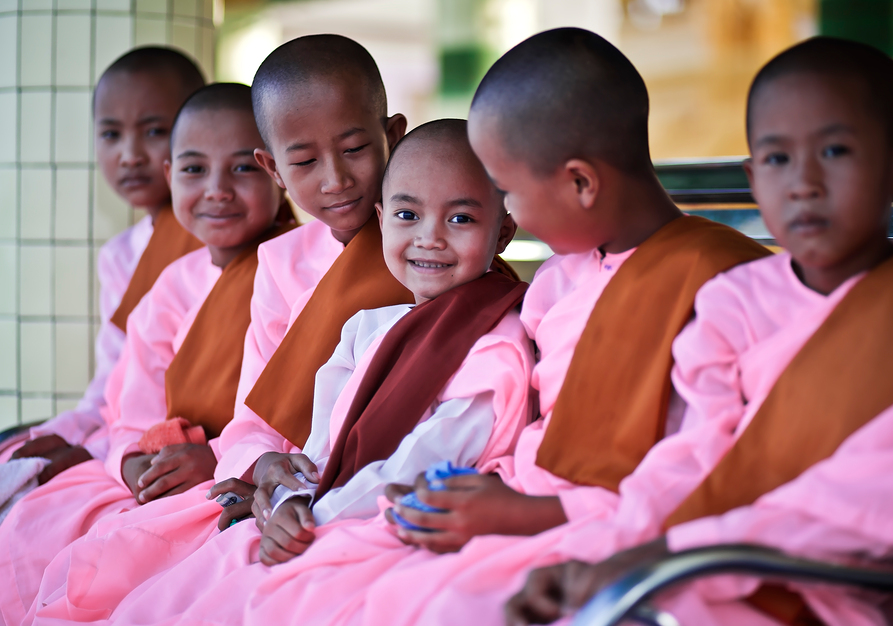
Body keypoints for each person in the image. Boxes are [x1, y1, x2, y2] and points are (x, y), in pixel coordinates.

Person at [48, 27, 768, 626]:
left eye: (499, 195)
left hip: (557, 518)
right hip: (428, 496)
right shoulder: (557, 283)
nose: (504, 219)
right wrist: (285, 480)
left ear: (577, 183)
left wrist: (516, 509)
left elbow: (691, 460)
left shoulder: (721, 280)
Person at [34, 119, 533, 626]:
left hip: (381, 520)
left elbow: (425, 461)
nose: (429, 238)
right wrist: (285, 497)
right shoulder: (367, 328)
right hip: (309, 510)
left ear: (504, 233)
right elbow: (319, 446)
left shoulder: (496, 340)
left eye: (462, 220)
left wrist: (310, 514)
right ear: (383, 220)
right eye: (408, 214)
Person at [507, 36, 893, 626]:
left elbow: (872, 498)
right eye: (778, 160)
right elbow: (690, 455)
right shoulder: (736, 299)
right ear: (755, 180)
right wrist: (606, 550)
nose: (804, 182)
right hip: (704, 557)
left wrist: (669, 554)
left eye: (835, 151)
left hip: (846, 578)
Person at [24, 34, 416, 622]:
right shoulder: (281, 265)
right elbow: (249, 423)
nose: (334, 179)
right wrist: (260, 466)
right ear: (277, 168)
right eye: (305, 161)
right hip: (279, 485)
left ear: (393, 137)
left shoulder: (429, 247)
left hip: (381, 476)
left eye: (356, 148)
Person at [0, 82, 294, 626]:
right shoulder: (170, 286)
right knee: (38, 522)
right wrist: (131, 462)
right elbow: (128, 412)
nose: (216, 191)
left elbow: (298, 404)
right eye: (193, 170)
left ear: (277, 172)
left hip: (234, 472)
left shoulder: (299, 271)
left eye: (241, 169)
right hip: (159, 470)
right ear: (169, 178)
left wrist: (221, 458)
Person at [1, 47, 205, 482]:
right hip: (122, 436)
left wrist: (93, 450)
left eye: (154, 131)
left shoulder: (222, 241)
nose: (129, 155)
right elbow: (112, 380)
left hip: (187, 442)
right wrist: (67, 433)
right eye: (111, 135)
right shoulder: (119, 255)